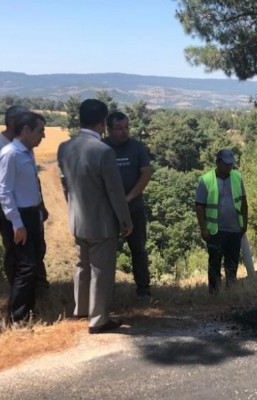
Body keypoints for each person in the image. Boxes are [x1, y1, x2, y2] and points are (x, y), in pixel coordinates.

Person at [57, 99, 133, 334]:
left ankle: (81, 309)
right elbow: (114, 191)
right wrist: (125, 220)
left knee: (82, 264)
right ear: (103, 122)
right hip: (101, 222)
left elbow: (65, 184)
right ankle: (98, 319)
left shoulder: (64, 147)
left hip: (77, 219)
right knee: (102, 270)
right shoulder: (103, 151)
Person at [0, 106, 50, 289]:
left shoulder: (26, 146)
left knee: (37, 249)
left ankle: (38, 288)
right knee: (17, 254)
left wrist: (41, 204)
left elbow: (32, 178)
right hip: (10, 210)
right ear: (13, 122)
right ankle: (18, 291)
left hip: (30, 208)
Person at [0, 112, 47, 324]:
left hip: (32, 215)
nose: (42, 136)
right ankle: (15, 318)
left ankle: (28, 313)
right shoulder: (10, 154)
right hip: (19, 217)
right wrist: (17, 224)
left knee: (33, 265)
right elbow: (4, 192)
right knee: (25, 267)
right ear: (26, 130)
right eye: (40, 131)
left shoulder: (26, 153)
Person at [102, 111, 153, 298]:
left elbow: (146, 173)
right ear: (108, 129)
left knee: (138, 249)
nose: (124, 132)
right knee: (107, 252)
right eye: (119, 128)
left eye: (126, 127)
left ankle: (144, 290)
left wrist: (129, 197)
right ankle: (106, 292)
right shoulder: (101, 148)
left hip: (135, 208)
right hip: (108, 210)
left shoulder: (136, 147)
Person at [195, 149, 248, 294]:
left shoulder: (237, 177)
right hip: (215, 230)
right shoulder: (205, 180)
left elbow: (243, 201)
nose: (229, 167)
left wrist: (244, 224)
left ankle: (231, 292)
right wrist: (203, 229)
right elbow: (199, 207)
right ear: (218, 162)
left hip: (235, 229)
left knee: (232, 264)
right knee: (214, 264)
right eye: (226, 164)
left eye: (231, 164)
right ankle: (215, 294)